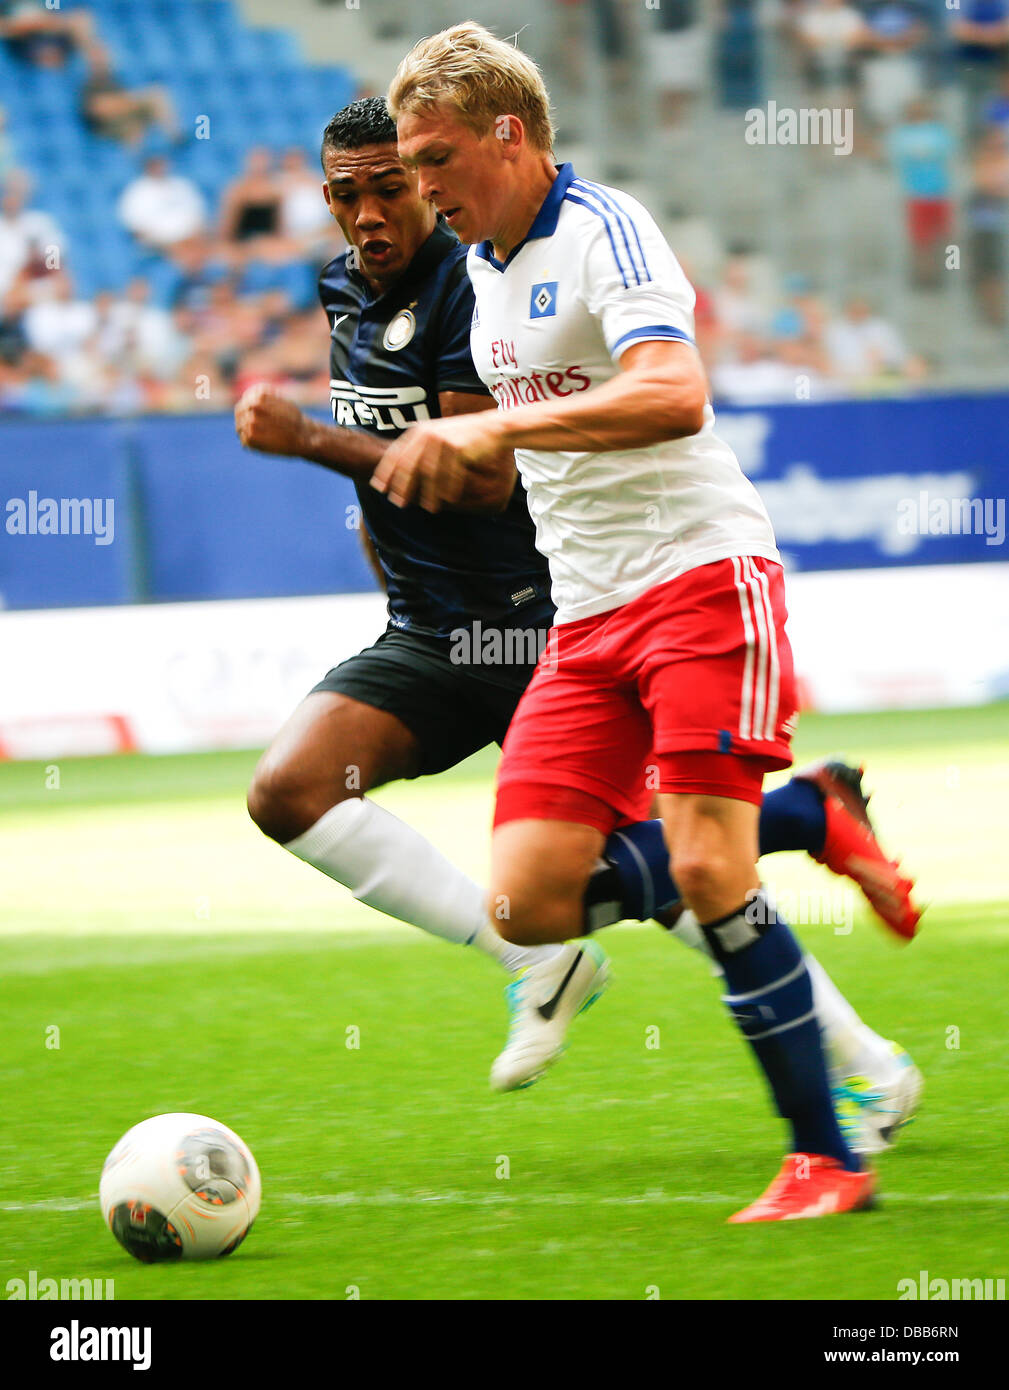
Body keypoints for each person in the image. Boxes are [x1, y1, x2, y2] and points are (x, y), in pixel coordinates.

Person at [236, 99, 921, 1157]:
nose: (369, 214)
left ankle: (872, 1062)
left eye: (392, 186)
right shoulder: (343, 292)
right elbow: (399, 467)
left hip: (537, 619)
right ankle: (545, 957)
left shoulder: (474, 282)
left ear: (429, 181)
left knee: (690, 878)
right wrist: (382, 554)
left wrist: (308, 441)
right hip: (429, 627)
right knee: (289, 789)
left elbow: (473, 473)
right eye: (346, 194)